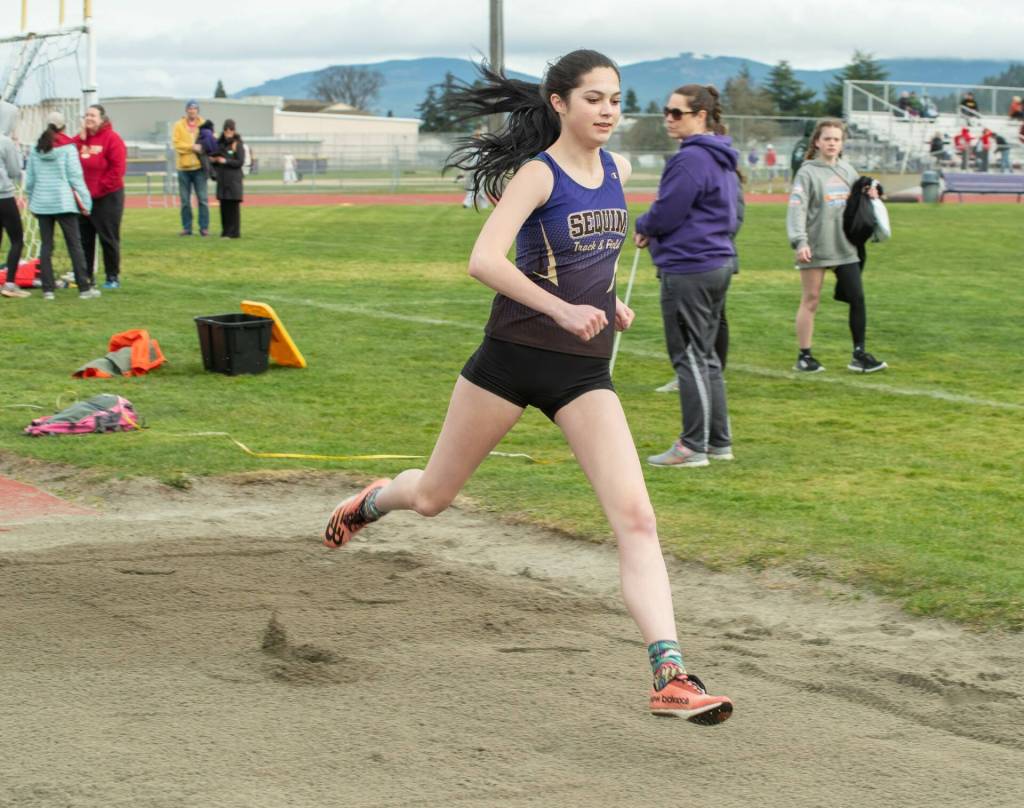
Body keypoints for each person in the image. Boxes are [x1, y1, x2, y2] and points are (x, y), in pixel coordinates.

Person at [321, 50, 733, 725]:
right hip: (510, 362)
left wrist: (606, 303)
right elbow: (483, 260)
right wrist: (561, 308)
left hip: (582, 372)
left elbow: (587, 259)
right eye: (593, 98)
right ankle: (373, 501)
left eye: (615, 99)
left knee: (637, 519)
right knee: (432, 497)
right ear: (559, 104)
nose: (607, 111)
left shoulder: (619, 170)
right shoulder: (536, 176)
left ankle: (670, 674)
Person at [634, 86, 738, 468]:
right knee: (705, 357)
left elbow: (668, 212)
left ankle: (693, 445)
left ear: (700, 115)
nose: (668, 118)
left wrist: (644, 224)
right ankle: (717, 441)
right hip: (715, 261)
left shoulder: (691, 158)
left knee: (690, 357)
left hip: (690, 266)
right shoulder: (719, 155)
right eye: (666, 111)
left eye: (676, 112)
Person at [787, 119, 885, 374]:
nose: (832, 143)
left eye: (837, 139)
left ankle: (859, 354)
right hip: (816, 245)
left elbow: (859, 195)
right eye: (827, 138)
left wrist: (872, 192)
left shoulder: (846, 169)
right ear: (817, 142)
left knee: (858, 298)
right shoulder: (807, 172)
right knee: (811, 299)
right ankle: (804, 356)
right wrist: (800, 241)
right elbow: (797, 209)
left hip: (844, 246)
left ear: (842, 144)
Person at [24, 119, 96, 300]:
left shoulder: (36, 149)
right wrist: (86, 202)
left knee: (46, 246)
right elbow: (76, 177)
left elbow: (30, 180)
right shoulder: (69, 149)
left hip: (42, 202)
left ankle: (48, 289)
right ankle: (84, 288)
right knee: (74, 245)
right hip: (64, 202)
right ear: (63, 127)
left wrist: (32, 200)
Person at [73, 104, 126, 289]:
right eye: (86, 115)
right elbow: (63, 148)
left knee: (108, 237)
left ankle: (112, 276)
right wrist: (80, 138)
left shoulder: (112, 139)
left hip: (107, 198)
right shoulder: (80, 140)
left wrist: (97, 190)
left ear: (102, 119)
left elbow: (117, 169)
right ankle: (85, 275)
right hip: (84, 198)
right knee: (85, 238)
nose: (89, 118)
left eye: (93, 115)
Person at [0, 100, 30, 299]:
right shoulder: (6, 142)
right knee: (17, 239)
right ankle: (10, 283)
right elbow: (14, 170)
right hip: (3, 196)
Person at [171, 99, 209, 236]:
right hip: (183, 169)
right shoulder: (178, 125)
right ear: (186, 110)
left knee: (203, 200)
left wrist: (202, 147)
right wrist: (192, 147)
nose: (192, 111)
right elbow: (177, 144)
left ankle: (204, 227)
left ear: (198, 110)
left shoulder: (204, 125)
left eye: (195, 108)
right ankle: (187, 228)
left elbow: (210, 142)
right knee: (185, 201)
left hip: (199, 168)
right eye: (190, 108)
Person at [212, 119, 245, 238]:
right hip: (222, 179)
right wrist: (214, 160)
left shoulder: (238, 144)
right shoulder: (219, 143)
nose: (228, 131)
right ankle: (225, 231)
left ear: (234, 130)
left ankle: (234, 232)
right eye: (226, 129)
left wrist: (226, 161)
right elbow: (214, 158)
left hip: (233, 180)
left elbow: (240, 162)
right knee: (223, 206)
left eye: (231, 129)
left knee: (233, 207)